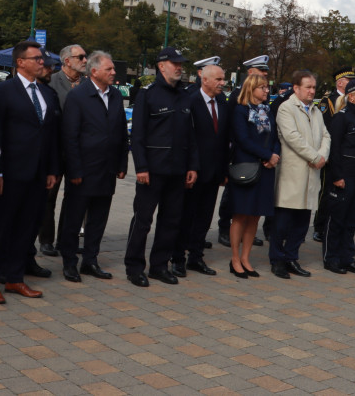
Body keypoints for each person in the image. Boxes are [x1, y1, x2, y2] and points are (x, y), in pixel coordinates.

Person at [0, 41, 60, 303]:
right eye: (36, 58)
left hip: (38, 174)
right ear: (20, 62)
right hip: (11, 173)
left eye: (42, 59)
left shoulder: (47, 94)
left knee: (27, 228)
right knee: (1, 227)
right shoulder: (3, 92)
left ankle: (15, 279)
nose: (42, 62)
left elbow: (50, 135)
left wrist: (51, 170)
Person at [125, 47, 198, 287]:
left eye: (181, 63)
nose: (179, 67)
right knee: (143, 220)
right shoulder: (148, 94)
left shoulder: (185, 95)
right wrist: (142, 167)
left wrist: (192, 166)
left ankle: (159, 266)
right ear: (161, 65)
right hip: (152, 171)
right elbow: (137, 136)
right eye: (174, 63)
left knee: (170, 221)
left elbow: (191, 137)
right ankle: (134, 267)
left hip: (177, 171)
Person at [58, 51, 128, 283]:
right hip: (84, 171)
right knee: (73, 218)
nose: (113, 72)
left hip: (107, 169)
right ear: (94, 71)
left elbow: (121, 133)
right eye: (109, 69)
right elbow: (70, 137)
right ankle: (69, 262)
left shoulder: (116, 96)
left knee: (98, 219)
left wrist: (121, 162)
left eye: (113, 69)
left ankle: (90, 260)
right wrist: (75, 170)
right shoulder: (78, 96)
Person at [172, 64, 229, 278]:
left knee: (205, 217)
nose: (223, 83)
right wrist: (190, 167)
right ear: (204, 80)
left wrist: (223, 170)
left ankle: (195, 257)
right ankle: (177, 258)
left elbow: (224, 140)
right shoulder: (191, 101)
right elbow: (187, 139)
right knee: (186, 216)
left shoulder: (222, 102)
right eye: (219, 79)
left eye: (223, 79)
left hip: (214, 172)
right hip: (194, 172)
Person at [271, 70, 329, 279]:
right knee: (283, 221)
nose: (312, 91)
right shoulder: (286, 108)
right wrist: (315, 157)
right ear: (296, 88)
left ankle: (291, 257)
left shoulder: (316, 111)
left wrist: (322, 156)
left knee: (302, 222)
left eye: (314, 87)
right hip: (293, 174)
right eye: (308, 87)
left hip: (311, 174)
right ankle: (277, 260)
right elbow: (292, 138)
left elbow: (325, 135)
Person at [227, 74, 280, 278]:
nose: (267, 91)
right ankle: (234, 258)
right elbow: (243, 139)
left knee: (255, 215)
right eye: (262, 88)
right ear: (251, 89)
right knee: (241, 214)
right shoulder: (241, 110)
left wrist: (274, 155)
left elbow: (275, 135)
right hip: (247, 168)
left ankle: (246, 258)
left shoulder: (267, 110)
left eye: (267, 87)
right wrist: (267, 155)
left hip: (266, 168)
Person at [322, 78, 355, 275]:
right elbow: (334, 149)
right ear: (351, 96)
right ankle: (331, 257)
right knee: (337, 218)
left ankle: (347, 257)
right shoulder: (342, 118)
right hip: (344, 176)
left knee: (352, 219)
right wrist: (337, 175)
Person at [218, 54, 270, 246]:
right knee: (233, 194)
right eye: (261, 71)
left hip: (257, 155)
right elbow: (232, 126)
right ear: (250, 72)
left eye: (265, 71)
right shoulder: (237, 96)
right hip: (238, 152)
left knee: (251, 197)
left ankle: (247, 231)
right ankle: (224, 227)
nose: (264, 74)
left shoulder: (262, 98)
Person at [39, 44, 86, 258]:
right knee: (49, 196)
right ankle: (46, 240)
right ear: (67, 61)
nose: (86, 60)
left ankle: (67, 239)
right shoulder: (51, 81)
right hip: (56, 149)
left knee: (75, 197)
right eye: (81, 57)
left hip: (80, 152)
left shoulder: (87, 84)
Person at [312, 66, 355, 243]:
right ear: (340, 82)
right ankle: (320, 226)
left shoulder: (353, 100)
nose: (353, 84)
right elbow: (326, 128)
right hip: (331, 153)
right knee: (326, 192)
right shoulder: (328, 101)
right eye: (350, 81)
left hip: (348, 155)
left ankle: (336, 224)